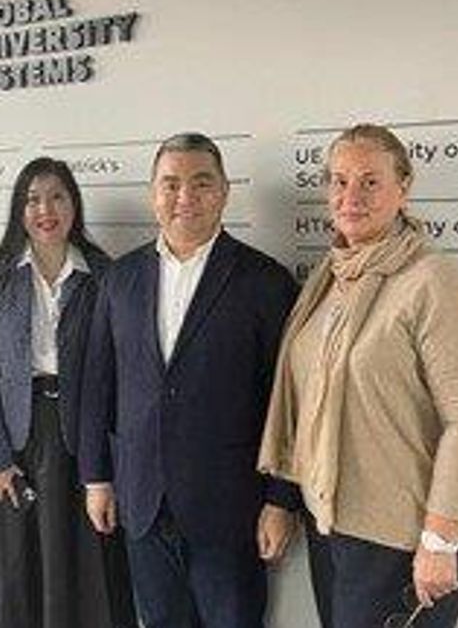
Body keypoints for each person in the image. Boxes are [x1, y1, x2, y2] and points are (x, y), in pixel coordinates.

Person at [257, 123, 458, 628]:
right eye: (340, 182)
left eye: (370, 181)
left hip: (404, 539)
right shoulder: (328, 278)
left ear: (403, 186)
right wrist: (282, 499)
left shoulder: (431, 280)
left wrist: (439, 538)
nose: (351, 196)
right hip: (331, 526)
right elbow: (303, 404)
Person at [79, 132, 299, 628]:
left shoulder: (265, 281)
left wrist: (281, 501)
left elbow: (288, 403)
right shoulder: (120, 280)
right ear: (153, 194)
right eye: (171, 184)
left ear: (223, 191)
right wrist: (97, 479)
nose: (185, 197)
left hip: (231, 509)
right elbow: (99, 387)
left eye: (201, 183)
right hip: (142, 502)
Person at [0, 157, 136, 628]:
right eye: (33, 198)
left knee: (86, 560)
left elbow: (119, 370)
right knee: (16, 564)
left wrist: (110, 455)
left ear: (74, 205)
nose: (46, 208)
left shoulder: (103, 273)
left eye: (58, 196)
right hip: (17, 435)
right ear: (20, 210)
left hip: (83, 432)